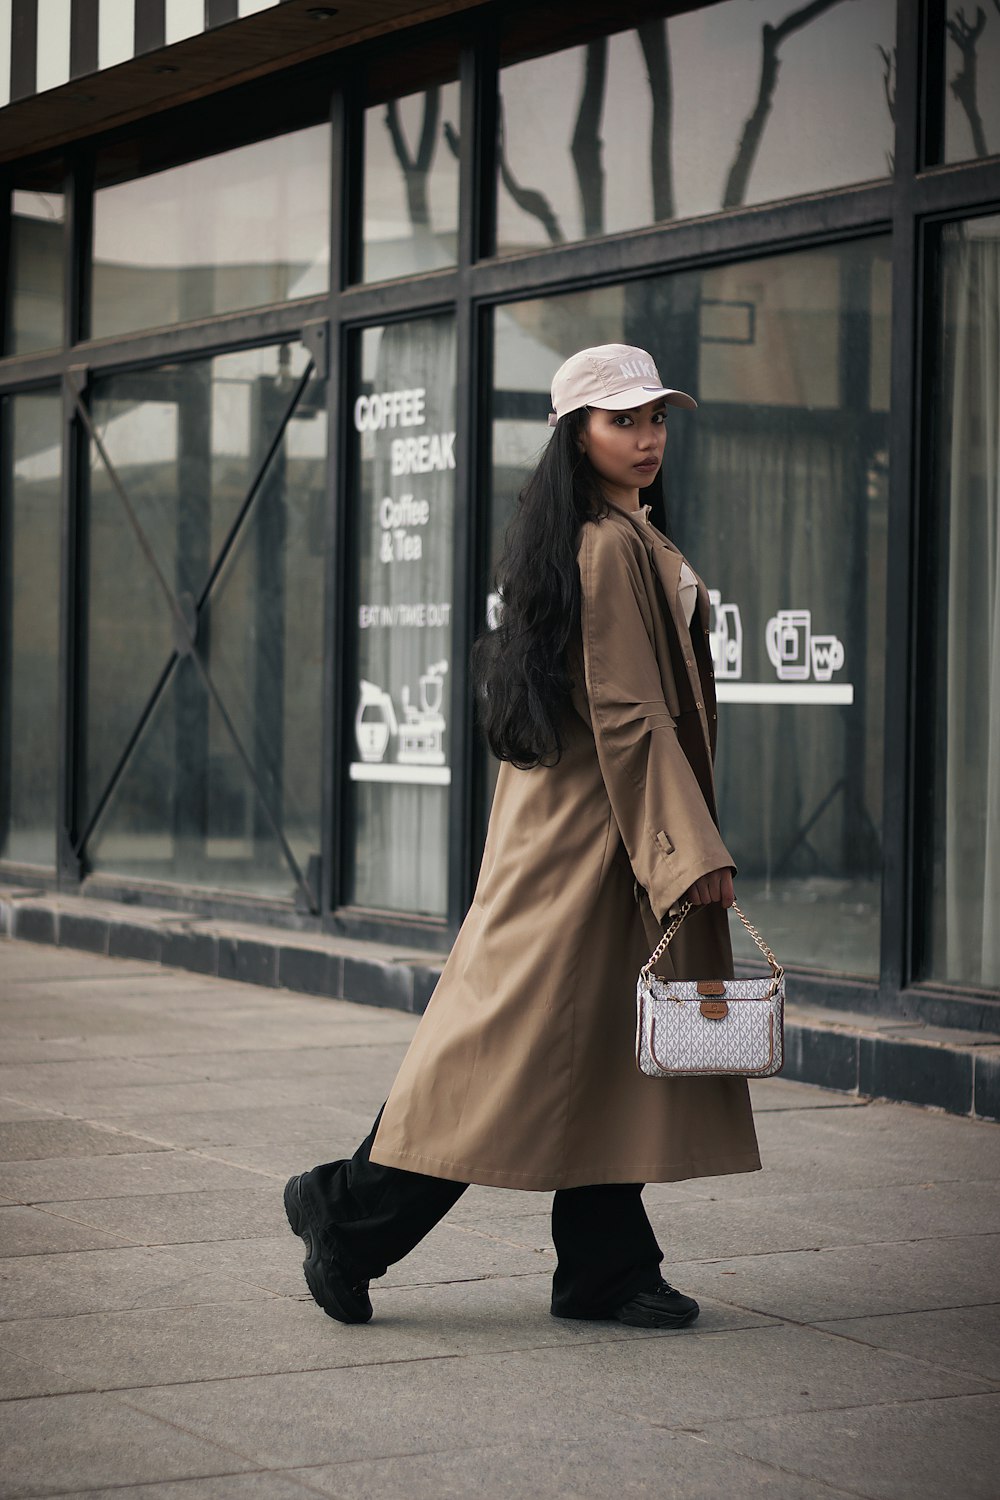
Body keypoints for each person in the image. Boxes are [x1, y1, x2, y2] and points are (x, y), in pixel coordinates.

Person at [284, 343, 761, 1329]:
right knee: (504, 1054)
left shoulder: (623, 534)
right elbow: (630, 714)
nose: (646, 437)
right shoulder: (602, 546)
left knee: (599, 1050)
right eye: (621, 420)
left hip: (609, 837)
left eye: (656, 418)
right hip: (585, 845)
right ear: (573, 434)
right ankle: (347, 1210)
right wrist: (692, 853)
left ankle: (604, 1269)